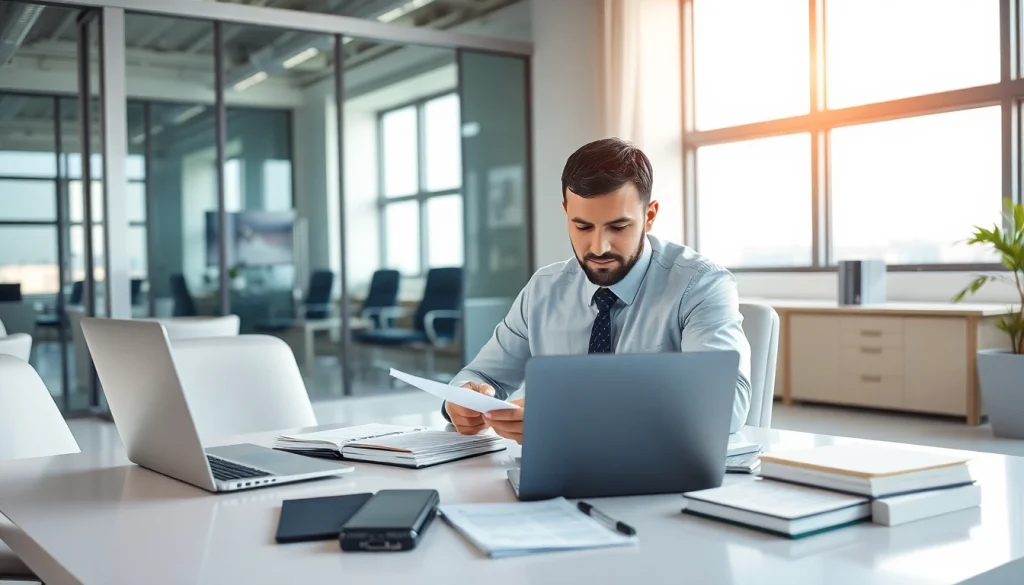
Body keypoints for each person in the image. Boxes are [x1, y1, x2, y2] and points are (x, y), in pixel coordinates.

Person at [443, 138, 751, 443]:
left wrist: (569, 412)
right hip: (556, 474)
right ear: (566, 212)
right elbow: (483, 376)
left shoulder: (700, 285)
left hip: (657, 472)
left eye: (618, 227)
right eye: (583, 227)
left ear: (650, 216)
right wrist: (462, 401)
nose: (599, 247)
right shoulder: (543, 289)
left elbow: (727, 403)